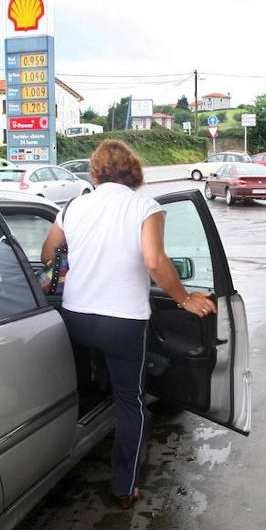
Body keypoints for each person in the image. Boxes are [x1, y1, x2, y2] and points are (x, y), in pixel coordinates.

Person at [42, 139, 216, 510]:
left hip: (75, 316)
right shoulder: (144, 206)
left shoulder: (73, 206)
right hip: (122, 322)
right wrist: (185, 299)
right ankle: (124, 485)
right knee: (130, 401)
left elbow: (48, 254)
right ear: (134, 173)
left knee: (88, 379)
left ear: (96, 172)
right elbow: (154, 261)